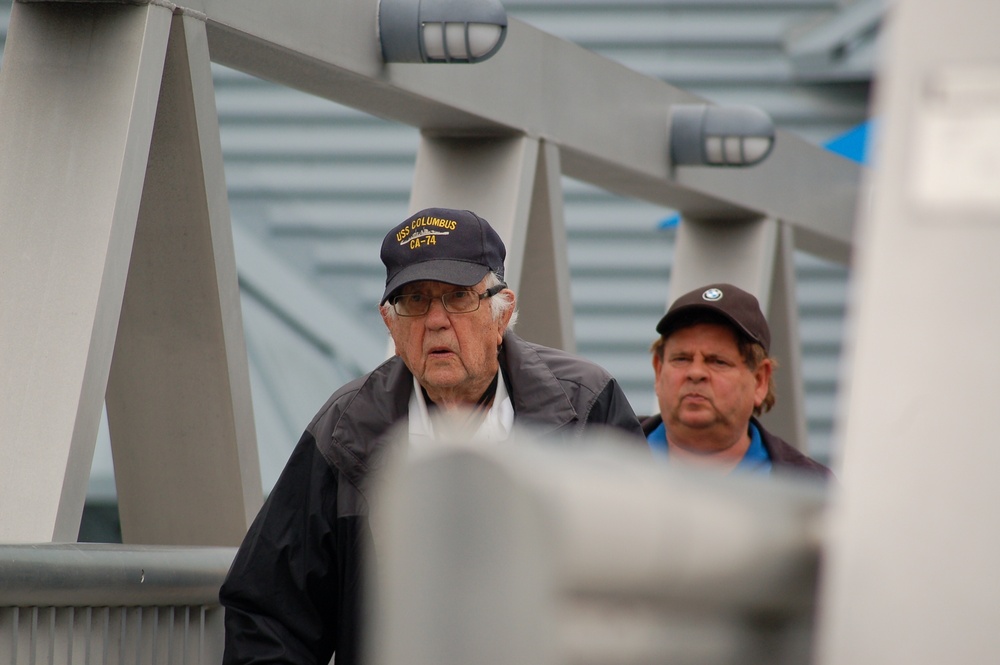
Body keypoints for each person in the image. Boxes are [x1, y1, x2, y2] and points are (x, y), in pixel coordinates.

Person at [219, 207, 644, 665]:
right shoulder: (346, 430)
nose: (436, 321)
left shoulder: (586, 407)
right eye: (415, 301)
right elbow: (267, 615)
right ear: (391, 325)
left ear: (502, 314)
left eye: (459, 298)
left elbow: (648, 584)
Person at [641, 282, 832, 477]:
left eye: (717, 361)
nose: (696, 373)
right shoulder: (611, 453)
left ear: (759, 381)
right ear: (658, 370)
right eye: (681, 359)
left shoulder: (812, 491)